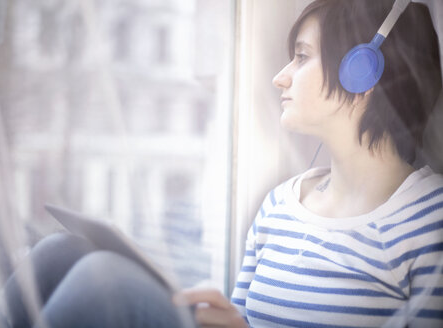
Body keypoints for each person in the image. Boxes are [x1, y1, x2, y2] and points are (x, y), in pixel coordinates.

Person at [178, 0, 443, 327]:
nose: (280, 78)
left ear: (362, 70)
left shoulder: (432, 222)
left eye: (301, 57)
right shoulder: (277, 206)